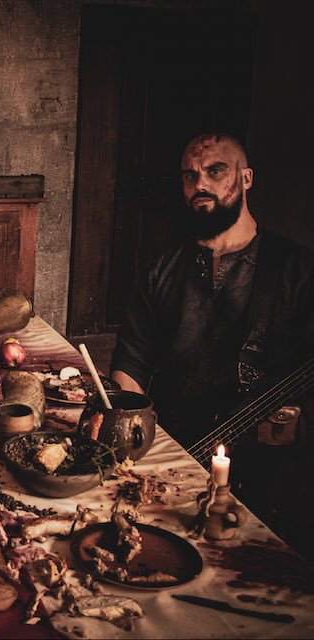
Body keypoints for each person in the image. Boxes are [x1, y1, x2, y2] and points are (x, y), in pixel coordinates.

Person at [110, 133, 312, 555]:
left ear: (246, 178)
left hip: (266, 465)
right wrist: (134, 438)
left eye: (215, 171)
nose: (199, 184)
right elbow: (132, 361)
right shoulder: (159, 270)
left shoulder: (295, 269)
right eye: (190, 175)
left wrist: (302, 421)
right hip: (177, 450)